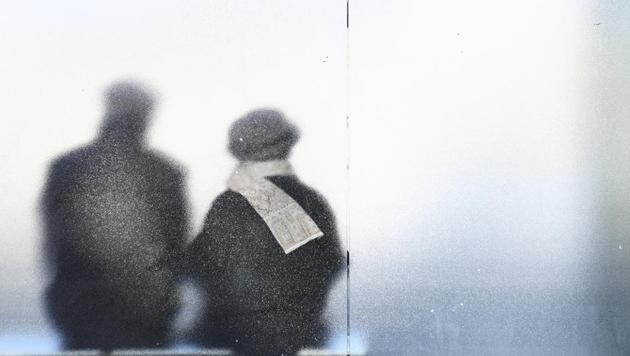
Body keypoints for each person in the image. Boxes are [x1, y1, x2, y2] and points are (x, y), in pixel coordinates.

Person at [41, 81, 188, 351]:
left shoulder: (65, 168)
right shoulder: (166, 173)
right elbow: (176, 249)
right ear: (146, 116)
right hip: (146, 318)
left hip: (80, 314)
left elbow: (54, 246)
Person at [187, 109, 344, 356]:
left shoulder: (228, 204)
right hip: (301, 337)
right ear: (287, 146)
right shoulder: (313, 201)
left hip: (237, 341)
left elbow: (197, 267)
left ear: (239, 152)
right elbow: (332, 264)